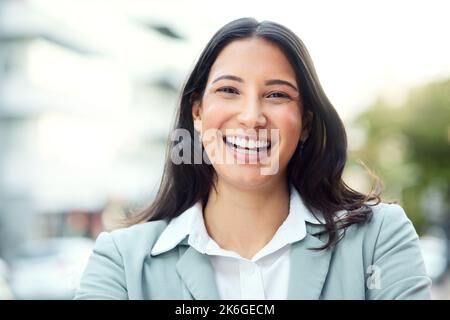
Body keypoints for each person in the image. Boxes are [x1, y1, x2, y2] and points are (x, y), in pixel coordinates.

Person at [74, 17, 431, 300]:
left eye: (276, 94)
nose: (251, 116)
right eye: (229, 90)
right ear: (197, 112)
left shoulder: (378, 239)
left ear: (305, 123)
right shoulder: (122, 261)